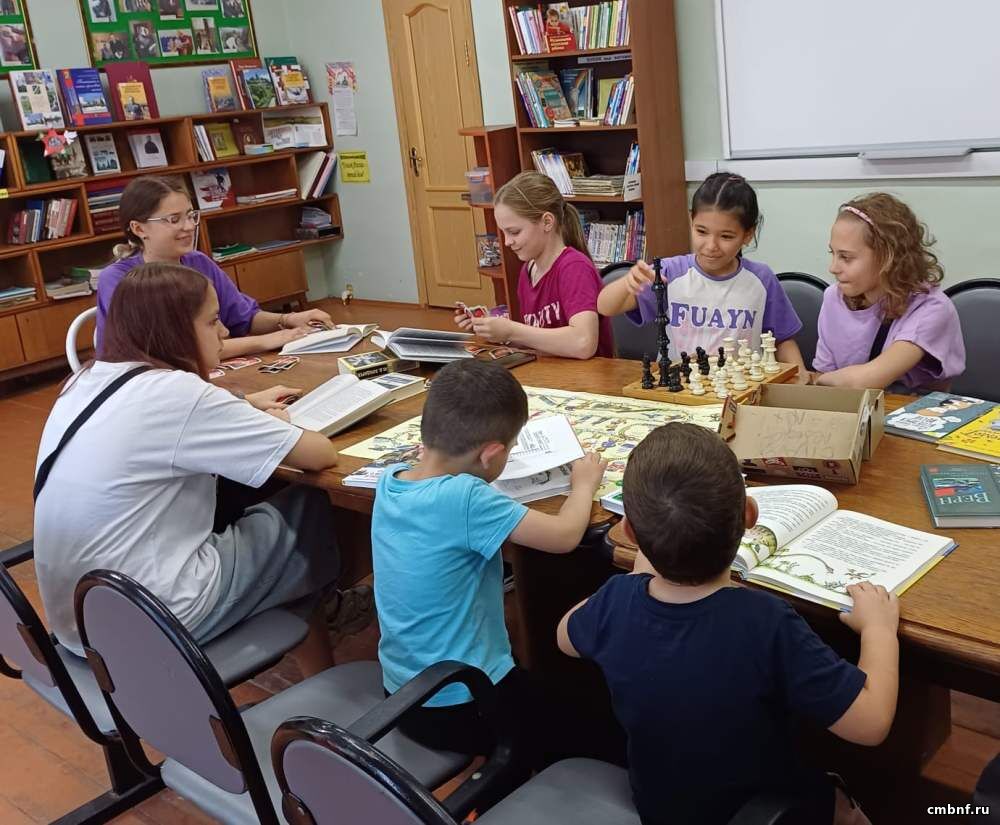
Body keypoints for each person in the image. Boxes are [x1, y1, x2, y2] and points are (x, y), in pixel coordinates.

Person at [557, 423, 898, 825]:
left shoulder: (616, 601)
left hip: (662, 806)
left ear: (629, 532)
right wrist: (878, 630)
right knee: (839, 803)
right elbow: (871, 723)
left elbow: (565, 635)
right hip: (762, 810)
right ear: (749, 515)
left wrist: (636, 579)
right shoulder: (766, 621)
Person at [34, 263, 344, 675]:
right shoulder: (179, 393)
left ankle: (305, 614)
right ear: (174, 330)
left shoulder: (85, 381)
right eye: (212, 321)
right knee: (311, 505)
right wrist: (277, 424)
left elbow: (162, 425)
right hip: (157, 615)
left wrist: (243, 408)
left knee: (243, 498)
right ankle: (333, 609)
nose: (225, 332)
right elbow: (319, 454)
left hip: (81, 620)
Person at [372, 359, 607, 788]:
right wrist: (584, 485)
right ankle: (505, 792)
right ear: (490, 454)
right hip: (461, 701)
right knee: (583, 724)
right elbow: (564, 537)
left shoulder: (391, 480)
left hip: (402, 692)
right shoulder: (465, 497)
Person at [95, 176, 331, 356]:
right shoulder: (120, 280)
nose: (189, 226)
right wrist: (267, 340)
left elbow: (244, 318)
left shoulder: (198, 262)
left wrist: (288, 320)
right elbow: (173, 353)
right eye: (174, 220)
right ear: (139, 229)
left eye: (190, 215)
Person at [597, 172, 805, 372]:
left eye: (726, 236)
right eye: (701, 231)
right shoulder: (670, 272)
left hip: (739, 387)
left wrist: (800, 373)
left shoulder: (761, 279)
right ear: (691, 220)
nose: (711, 246)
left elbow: (782, 339)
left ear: (748, 234)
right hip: (681, 386)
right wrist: (627, 283)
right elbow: (604, 307)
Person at [812, 193, 965, 392]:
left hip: (909, 408)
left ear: (888, 257)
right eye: (833, 253)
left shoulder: (932, 309)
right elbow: (823, 375)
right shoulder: (834, 297)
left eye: (846, 258)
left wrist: (817, 382)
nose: (833, 268)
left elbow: (865, 381)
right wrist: (819, 382)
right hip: (851, 405)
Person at [455, 171, 614, 359]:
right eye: (504, 233)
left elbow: (583, 343)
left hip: (586, 376)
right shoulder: (528, 270)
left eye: (514, 232)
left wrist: (512, 331)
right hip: (550, 373)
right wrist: (493, 331)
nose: (507, 242)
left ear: (547, 222)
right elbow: (536, 340)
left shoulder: (574, 268)